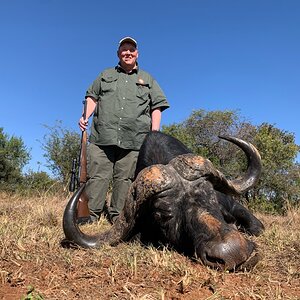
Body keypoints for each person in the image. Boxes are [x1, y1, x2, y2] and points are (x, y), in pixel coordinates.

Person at [78, 36, 170, 224]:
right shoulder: (105, 74)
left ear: (137, 54)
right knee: (98, 176)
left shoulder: (148, 79)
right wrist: (84, 117)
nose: (127, 53)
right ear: (118, 53)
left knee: (125, 179)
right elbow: (92, 97)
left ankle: (117, 217)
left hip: (134, 139)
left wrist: (154, 134)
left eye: (131, 50)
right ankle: (91, 216)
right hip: (102, 136)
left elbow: (157, 106)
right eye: (124, 50)